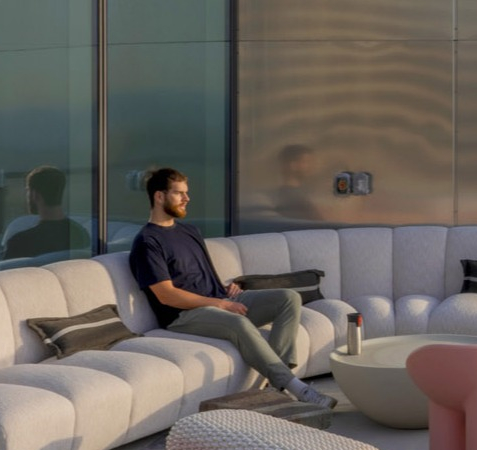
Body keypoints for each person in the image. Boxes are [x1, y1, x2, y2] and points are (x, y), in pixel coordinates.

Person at [128, 168, 336, 408]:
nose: (187, 199)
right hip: (183, 314)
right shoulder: (147, 242)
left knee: (288, 298)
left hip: (216, 301)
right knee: (239, 322)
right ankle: (297, 388)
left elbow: (201, 273)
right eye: (179, 193)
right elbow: (167, 295)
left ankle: (277, 381)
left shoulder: (189, 231)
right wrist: (219, 303)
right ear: (159, 197)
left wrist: (224, 289)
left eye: (187, 193)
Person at [2, 166, 91, 260]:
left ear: (34, 194)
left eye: (28, 191)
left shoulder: (20, 242)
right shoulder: (79, 234)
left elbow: (4, 273)